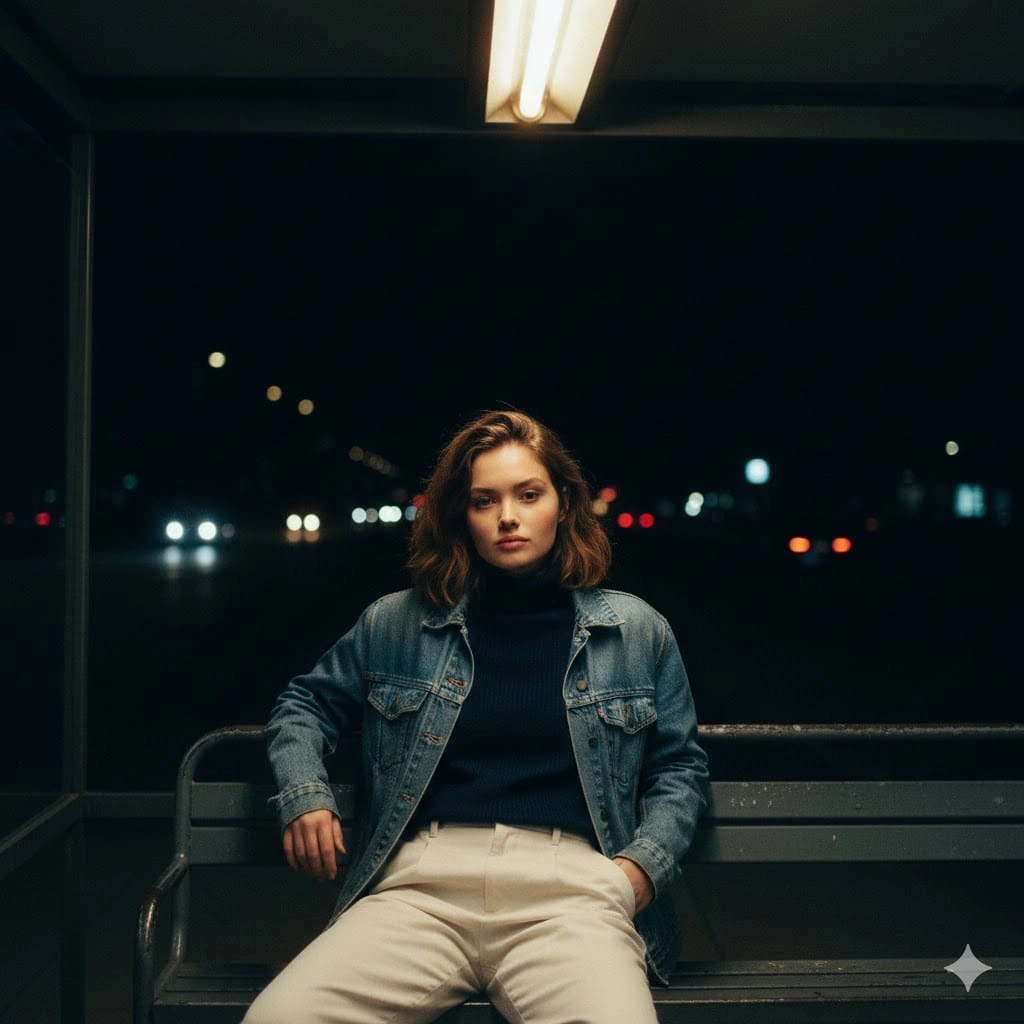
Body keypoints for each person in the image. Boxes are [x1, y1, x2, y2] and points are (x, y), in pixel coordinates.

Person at [245, 409, 709, 1024]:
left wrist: (639, 872)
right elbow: (303, 706)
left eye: (528, 494)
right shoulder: (397, 622)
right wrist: (306, 794)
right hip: (421, 890)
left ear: (564, 503)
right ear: (460, 515)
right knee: (279, 1017)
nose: (507, 516)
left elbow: (679, 769)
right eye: (484, 500)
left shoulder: (636, 630)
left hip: (572, 894)